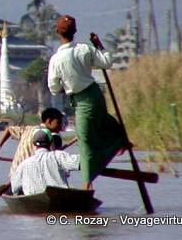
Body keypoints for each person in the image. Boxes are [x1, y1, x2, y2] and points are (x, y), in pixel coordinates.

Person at [47, 14, 127, 190]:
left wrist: (64, 85)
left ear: (57, 33)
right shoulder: (85, 49)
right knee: (102, 122)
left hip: (82, 100)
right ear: (75, 32)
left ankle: (87, 184)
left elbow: (53, 87)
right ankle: (120, 140)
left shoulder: (56, 60)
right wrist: (99, 46)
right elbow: (107, 62)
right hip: (95, 95)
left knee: (84, 139)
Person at [0, 107, 66, 179]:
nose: (60, 128)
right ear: (49, 121)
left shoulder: (28, 129)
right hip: (30, 177)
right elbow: (52, 160)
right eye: (58, 123)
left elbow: (8, 130)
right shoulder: (49, 136)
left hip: (15, 174)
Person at [11, 129, 81, 196]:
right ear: (50, 142)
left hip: (34, 202)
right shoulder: (58, 156)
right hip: (59, 200)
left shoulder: (24, 164)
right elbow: (80, 163)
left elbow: (14, 188)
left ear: (34, 144)